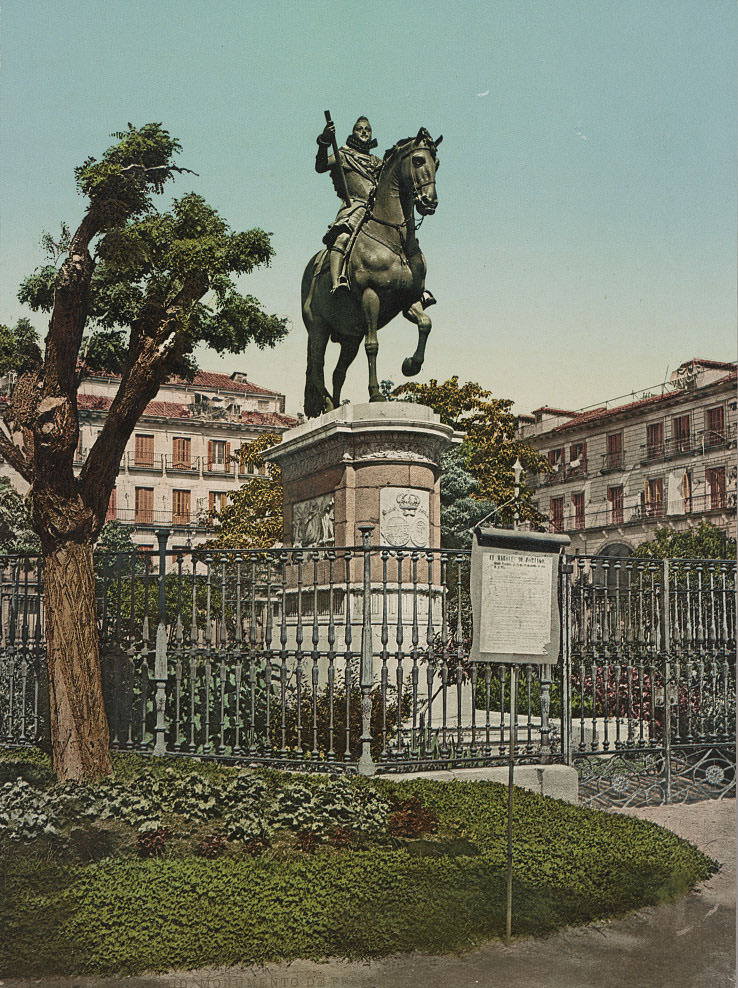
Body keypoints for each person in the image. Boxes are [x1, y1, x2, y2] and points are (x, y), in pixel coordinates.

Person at [315, 116, 382, 294]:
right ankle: (337, 282)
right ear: (353, 132)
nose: (364, 132)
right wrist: (324, 141)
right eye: (360, 128)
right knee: (343, 237)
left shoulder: (377, 162)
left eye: (367, 129)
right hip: (355, 206)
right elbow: (320, 166)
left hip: (377, 209)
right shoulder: (343, 155)